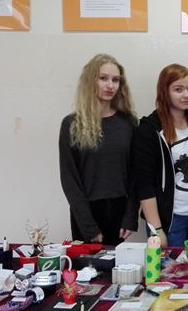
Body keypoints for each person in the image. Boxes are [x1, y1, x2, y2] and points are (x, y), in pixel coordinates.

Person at [59, 54, 139, 244]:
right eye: (103, 78)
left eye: (115, 80)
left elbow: (136, 175)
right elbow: (69, 179)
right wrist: (88, 226)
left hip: (119, 210)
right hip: (87, 213)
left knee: (117, 263)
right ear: (90, 81)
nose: (110, 85)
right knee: (87, 264)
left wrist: (130, 217)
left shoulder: (128, 123)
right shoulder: (72, 124)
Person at [136, 64, 188, 247]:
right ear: (164, 91)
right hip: (171, 220)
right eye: (178, 89)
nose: (187, 94)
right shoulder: (149, 129)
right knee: (169, 266)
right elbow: (144, 184)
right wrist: (157, 229)